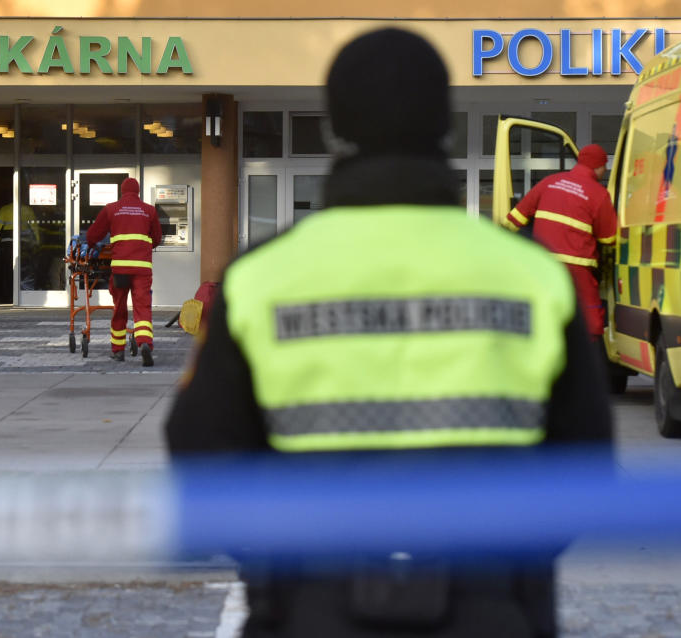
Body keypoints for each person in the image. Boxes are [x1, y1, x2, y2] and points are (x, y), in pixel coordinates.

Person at [165, 28, 613, 638]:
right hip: (493, 606)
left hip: (309, 607)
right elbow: (585, 460)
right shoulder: (532, 277)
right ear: (444, 129)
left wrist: (279, 565)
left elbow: (200, 455)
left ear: (334, 128)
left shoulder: (260, 279)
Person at [502, 144, 618, 342]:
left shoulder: (550, 182)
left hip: (544, 266)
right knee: (589, 320)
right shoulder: (598, 194)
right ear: (598, 167)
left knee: (544, 317)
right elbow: (609, 238)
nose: (605, 170)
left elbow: (512, 221)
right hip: (578, 269)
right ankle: (585, 365)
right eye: (605, 166)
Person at [86, 178, 161, 367]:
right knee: (142, 306)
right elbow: (157, 238)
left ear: (122, 191)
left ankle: (118, 351)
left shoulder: (112, 208)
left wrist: (93, 247)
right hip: (142, 268)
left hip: (120, 268)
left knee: (119, 308)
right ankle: (144, 343)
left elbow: (92, 235)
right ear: (138, 192)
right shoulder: (149, 210)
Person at [0, 202, 15, 302]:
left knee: (6, 271)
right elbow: (34, 227)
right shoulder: (26, 209)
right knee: (21, 271)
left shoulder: (4, 209)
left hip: (7, 244)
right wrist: (36, 242)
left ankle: (7, 296)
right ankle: (19, 295)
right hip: (23, 243)